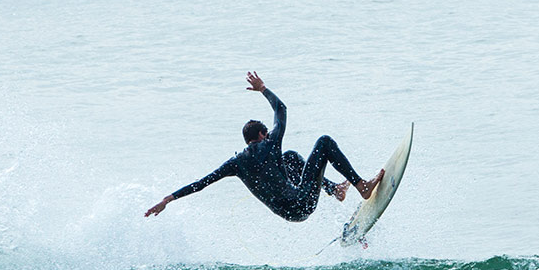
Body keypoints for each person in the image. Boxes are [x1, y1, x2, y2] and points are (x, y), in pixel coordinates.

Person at [145, 72, 383, 223]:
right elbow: (281, 110)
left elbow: (201, 183)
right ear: (261, 134)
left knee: (290, 157)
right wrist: (263, 89)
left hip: (289, 215)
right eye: (266, 133)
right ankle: (361, 185)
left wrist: (169, 198)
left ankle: (335, 190)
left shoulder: (236, 163)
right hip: (302, 202)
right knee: (324, 142)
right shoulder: (269, 143)